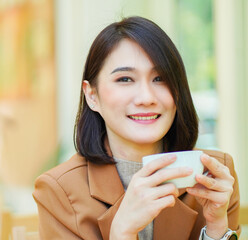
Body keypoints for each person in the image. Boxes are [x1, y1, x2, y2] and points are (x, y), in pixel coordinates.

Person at [33, 16, 240, 240]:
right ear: (92, 95)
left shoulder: (214, 175)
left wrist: (216, 230)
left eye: (160, 78)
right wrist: (123, 232)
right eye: (124, 79)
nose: (146, 97)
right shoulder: (58, 191)